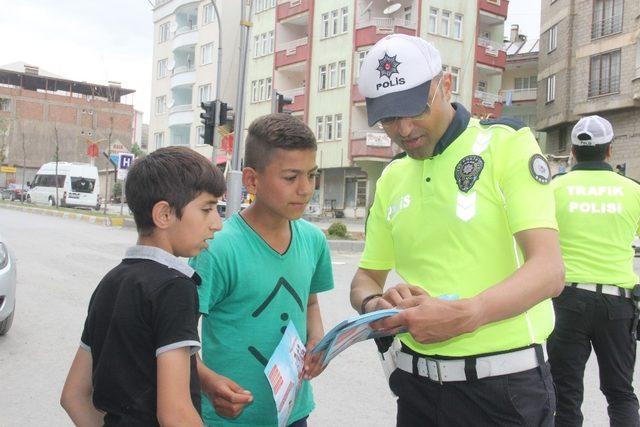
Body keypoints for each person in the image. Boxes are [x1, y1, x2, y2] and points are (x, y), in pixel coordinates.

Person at [349, 34, 565, 426]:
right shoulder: (392, 177)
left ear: (445, 85)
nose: (404, 128)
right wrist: (374, 306)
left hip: (503, 391)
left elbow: (549, 271)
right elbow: (366, 277)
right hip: (416, 390)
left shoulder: (505, 145)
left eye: (415, 109)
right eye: (389, 117)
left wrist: (468, 314)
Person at [60, 146, 226, 426]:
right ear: (164, 214)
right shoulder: (175, 288)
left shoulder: (110, 282)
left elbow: (73, 396)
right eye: (207, 209)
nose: (217, 224)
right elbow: (175, 413)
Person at [189, 113, 334, 427]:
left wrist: (317, 339)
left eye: (312, 175)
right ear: (253, 180)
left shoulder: (313, 240)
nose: (305, 188)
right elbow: (177, 337)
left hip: (294, 412)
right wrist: (207, 382)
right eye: (291, 177)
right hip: (228, 419)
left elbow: (309, 303)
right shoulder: (217, 248)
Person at [548, 115, 640, 426]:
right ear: (610, 151)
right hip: (618, 304)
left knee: (564, 395)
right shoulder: (632, 190)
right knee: (620, 393)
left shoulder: (554, 188)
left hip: (567, 301)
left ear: (572, 151)